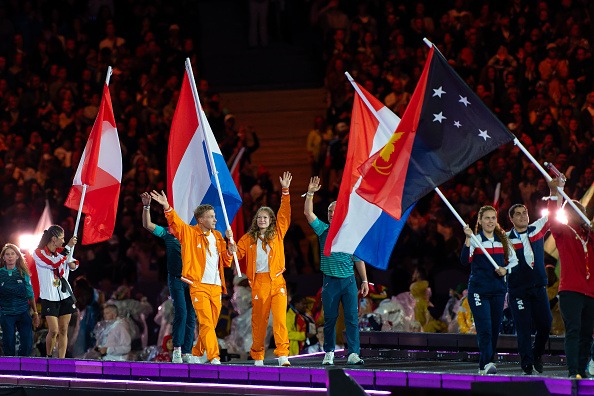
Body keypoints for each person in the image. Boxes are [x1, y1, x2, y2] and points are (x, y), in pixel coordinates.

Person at [150, 190, 234, 365]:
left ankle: (196, 351)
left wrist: (230, 250)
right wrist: (166, 206)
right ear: (201, 220)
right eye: (211, 217)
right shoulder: (189, 233)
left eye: (214, 216)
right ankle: (214, 357)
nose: (215, 219)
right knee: (205, 322)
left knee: (211, 322)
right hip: (198, 285)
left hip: (216, 286)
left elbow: (225, 262)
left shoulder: (218, 236)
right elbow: (176, 223)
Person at [229, 171, 293, 367]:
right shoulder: (248, 239)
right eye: (260, 217)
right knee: (259, 321)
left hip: (277, 281)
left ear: (271, 220)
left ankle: (283, 355)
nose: (262, 220)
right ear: (256, 220)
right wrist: (230, 248)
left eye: (266, 217)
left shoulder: (278, 233)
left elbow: (285, 212)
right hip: (259, 283)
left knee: (280, 319)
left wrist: (285, 191)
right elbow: (234, 254)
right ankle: (258, 355)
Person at [303, 176, 369, 365]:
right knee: (330, 319)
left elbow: (358, 259)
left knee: (352, 319)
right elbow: (308, 213)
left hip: (348, 281)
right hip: (330, 281)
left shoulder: (350, 232)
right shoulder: (323, 229)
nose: (332, 214)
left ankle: (353, 353)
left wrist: (364, 280)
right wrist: (310, 193)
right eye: (329, 211)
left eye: (335, 211)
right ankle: (329, 352)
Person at [461, 205, 518, 375]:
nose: (490, 221)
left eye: (493, 218)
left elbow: (514, 262)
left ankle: (484, 365)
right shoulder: (475, 240)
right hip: (479, 291)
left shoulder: (503, 241)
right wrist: (468, 239)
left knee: (494, 328)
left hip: (498, 290)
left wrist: (505, 270)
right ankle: (488, 363)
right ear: (480, 220)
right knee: (485, 327)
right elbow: (464, 260)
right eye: (487, 218)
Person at [141, 192, 197, 364]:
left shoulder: (193, 232)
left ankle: (188, 352)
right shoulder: (168, 233)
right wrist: (146, 206)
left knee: (192, 315)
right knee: (181, 311)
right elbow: (148, 225)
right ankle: (178, 350)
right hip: (175, 279)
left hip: (193, 279)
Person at [547, 177, 594, 378]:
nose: (582, 213)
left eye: (583, 211)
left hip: (590, 292)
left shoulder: (590, 236)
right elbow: (552, 220)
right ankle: (573, 370)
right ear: (568, 214)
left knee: (587, 334)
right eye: (576, 211)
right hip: (570, 291)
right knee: (573, 331)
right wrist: (555, 193)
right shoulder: (564, 232)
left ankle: (582, 369)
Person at [507, 200, 554, 375]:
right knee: (524, 328)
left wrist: (555, 191)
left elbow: (552, 213)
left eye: (524, 212)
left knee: (545, 324)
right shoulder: (505, 239)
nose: (522, 216)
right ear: (511, 218)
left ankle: (536, 355)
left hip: (538, 288)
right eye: (518, 214)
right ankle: (527, 363)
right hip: (518, 291)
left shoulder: (537, 229)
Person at [32, 225, 78, 358]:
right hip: (49, 297)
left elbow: (74, 263)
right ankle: (49, 356)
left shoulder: (63, 251)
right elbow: (53, 263)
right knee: (54, 330)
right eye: (62, 238)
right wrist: (68, 247)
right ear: (53, 239)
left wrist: (72, 264)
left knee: (64, 329)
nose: (64, 241)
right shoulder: (38, 253)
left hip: (65, 295)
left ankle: (61, 360)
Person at [0, 243, 40, 356]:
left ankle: (24, 368)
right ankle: (10, 370)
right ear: (3, 257)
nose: (10, 256)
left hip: (23, 313)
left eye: (13, 254)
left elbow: (30, 294)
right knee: (8, 345)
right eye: (7, 254)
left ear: (17, 256)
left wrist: (36, 313)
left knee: (27, 344)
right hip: (6, 314)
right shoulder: (0, 274)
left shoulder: (23, 273)